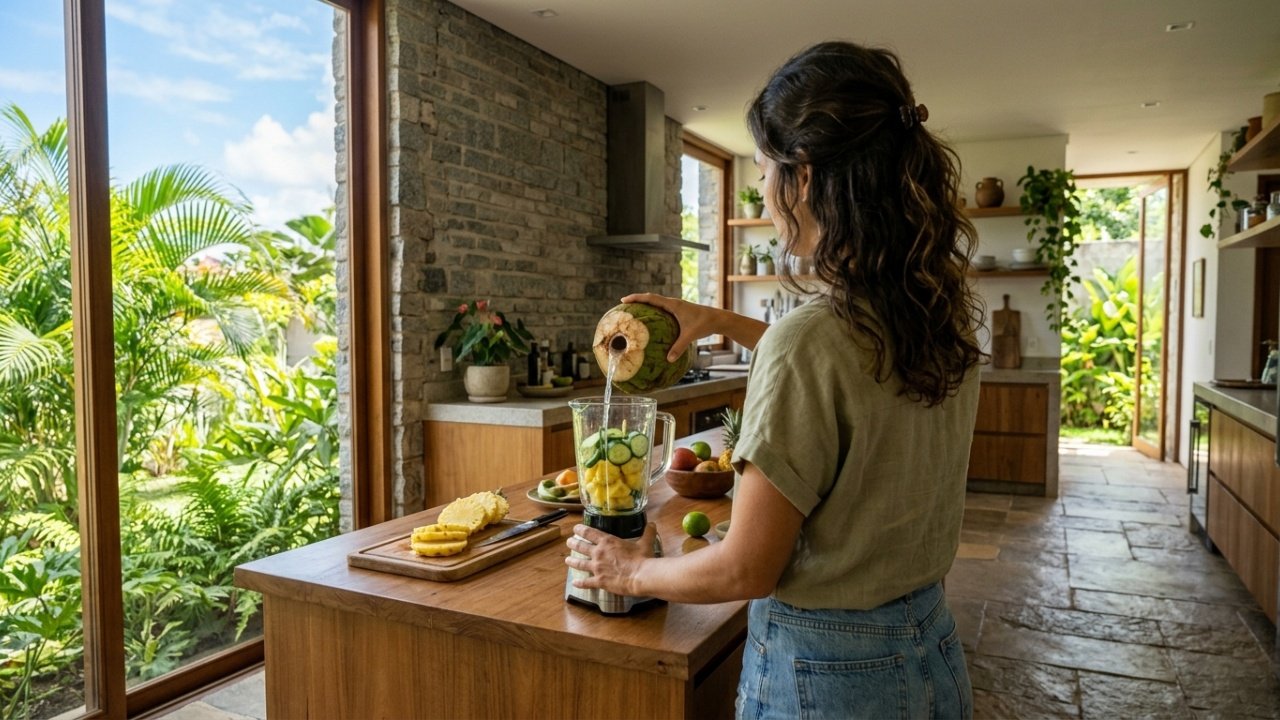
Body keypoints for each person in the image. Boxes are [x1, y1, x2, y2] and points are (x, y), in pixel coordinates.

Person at [565, 40, 984, 719]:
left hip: (829, 675)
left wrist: (630, 571)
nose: (762, 192)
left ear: (807, 177)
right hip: (930, 651)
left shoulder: (811, 339)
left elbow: (745, 568)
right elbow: (849, 373)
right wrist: (722, 320)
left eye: (763, 170)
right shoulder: (936, 320)